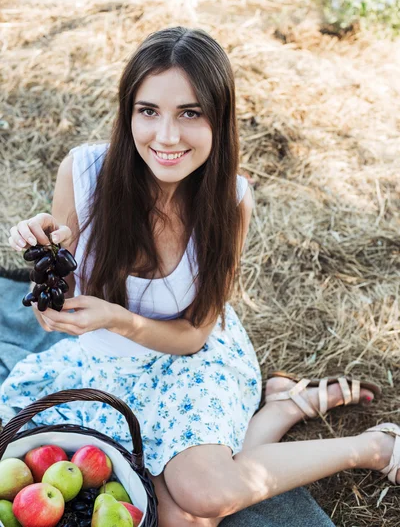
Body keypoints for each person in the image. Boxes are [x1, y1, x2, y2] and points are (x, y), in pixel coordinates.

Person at [3, 26, 399, 526]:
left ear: (219, 118)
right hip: (102, 375)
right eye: (148, 111)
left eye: (189, 113)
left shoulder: (230, 200)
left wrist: (118, 319)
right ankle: (276, 412)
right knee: (179, 520)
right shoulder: (83, 173)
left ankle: (372, 447)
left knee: (205, 492)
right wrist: (44, 270)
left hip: (190, 363)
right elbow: (50, 313)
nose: (166, 136)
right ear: (129, 114)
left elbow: (194, 334)